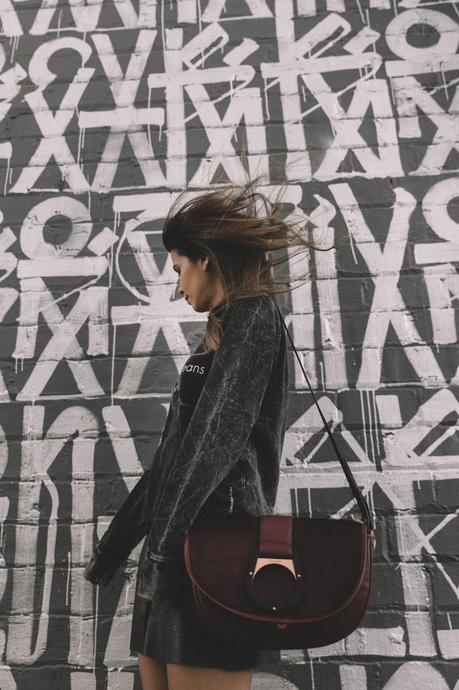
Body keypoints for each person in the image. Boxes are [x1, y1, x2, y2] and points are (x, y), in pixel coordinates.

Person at [84, 179, 319, 690]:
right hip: (172, 561)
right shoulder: (216, 334)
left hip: (213, 555)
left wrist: (165, 549)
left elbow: (218, 440)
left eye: (178, 269)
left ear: (205, 258)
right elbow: (176, 457)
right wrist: (118, 547)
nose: (178, 285)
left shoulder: (255, 317)